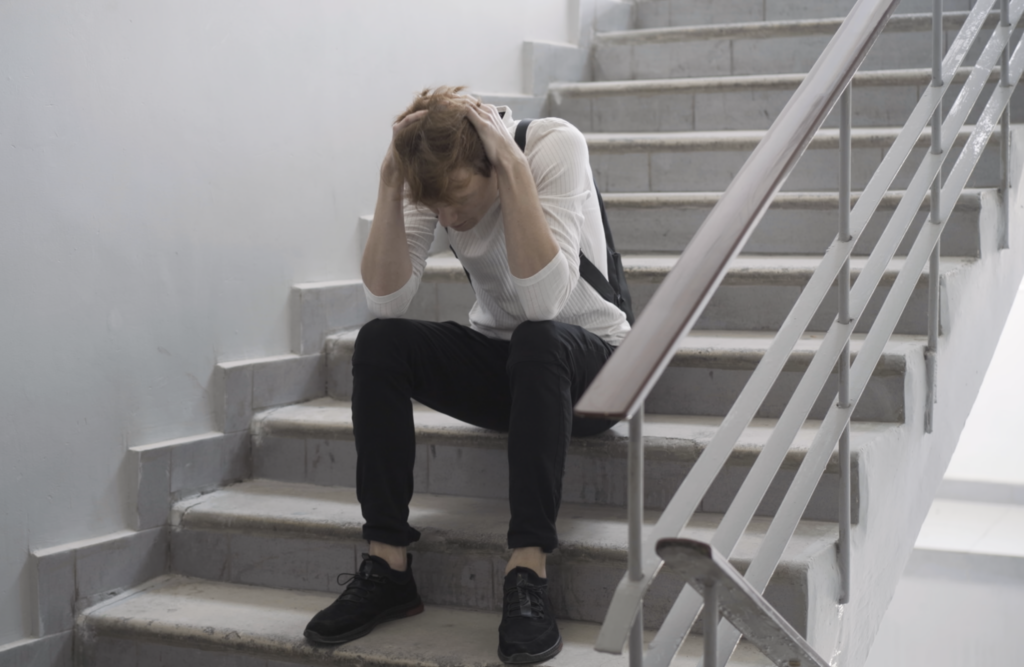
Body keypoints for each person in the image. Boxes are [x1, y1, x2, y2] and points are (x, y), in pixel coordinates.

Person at [303, 87, 630, 664]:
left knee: (537, 340)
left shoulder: (554, 145)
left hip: (595, 371)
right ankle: (387, 564)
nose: (450, 216)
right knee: (380, 343)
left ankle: (527, 571)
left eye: (458, 196)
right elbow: (388, 299)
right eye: (437, 205)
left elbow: (545, 302)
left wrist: (512, 168)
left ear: (487, 155)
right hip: (511, 366)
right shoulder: (433, 185)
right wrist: (390, 180)